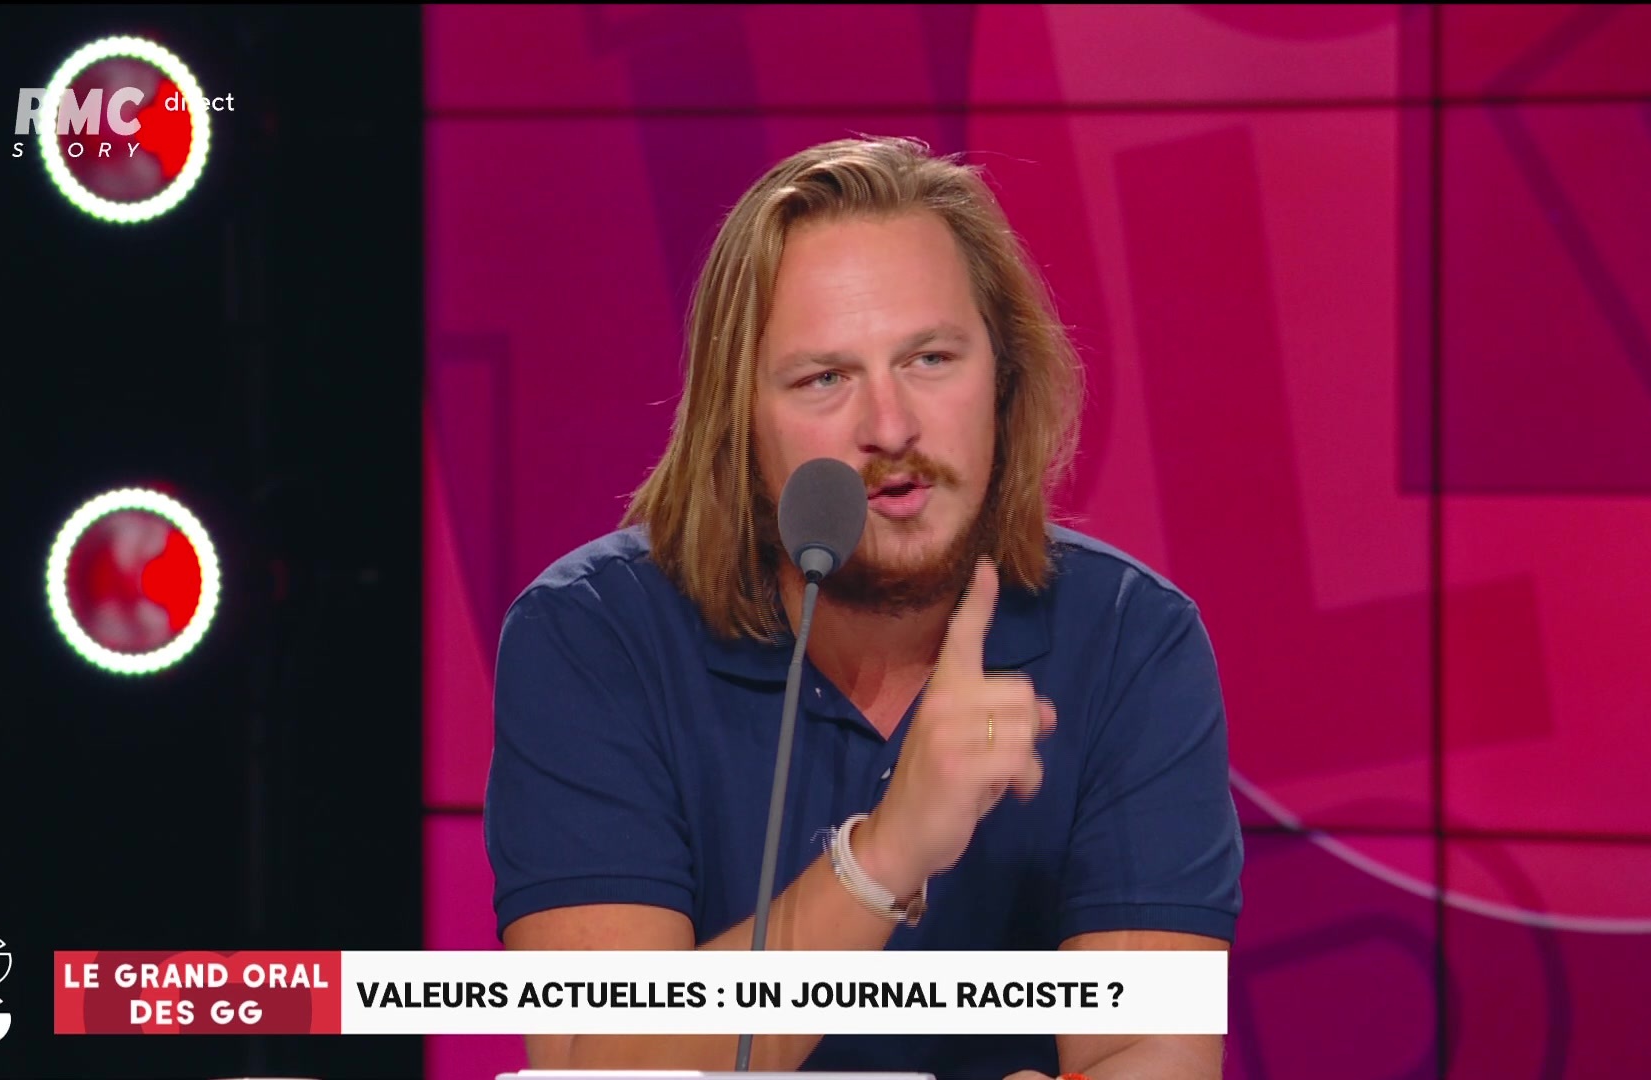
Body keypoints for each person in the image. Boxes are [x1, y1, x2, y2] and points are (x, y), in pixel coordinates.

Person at [484, 135, 1243, 1080]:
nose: (890, 427)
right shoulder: (593, 638)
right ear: (737, 420)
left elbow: (1151, 1049)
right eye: (825, 379)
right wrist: (882, 859)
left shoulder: (1132, 640)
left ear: (1003, 379)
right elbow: (596, 1065)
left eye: (930, 358)